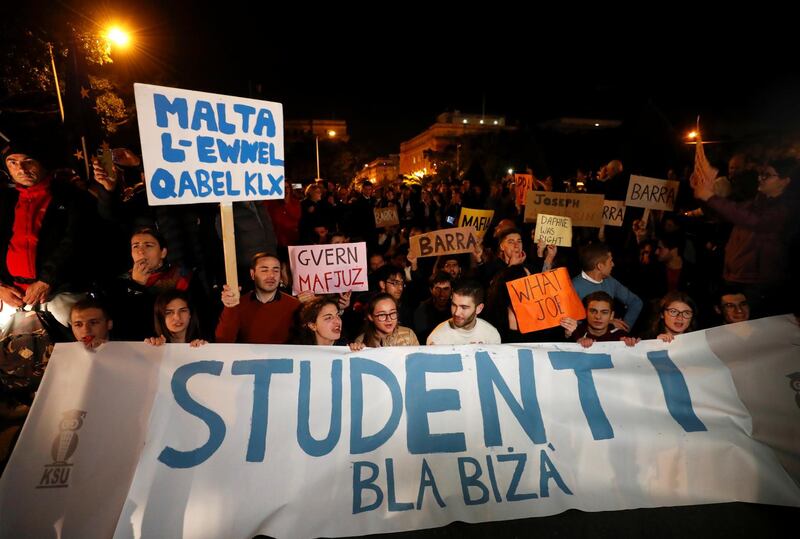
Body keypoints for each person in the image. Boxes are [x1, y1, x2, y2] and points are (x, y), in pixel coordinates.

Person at [215, 252, 300, 344]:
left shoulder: (294, 305)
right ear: (252, 274)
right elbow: (223, 341)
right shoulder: (239, 303)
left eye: (275, 270)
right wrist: (230, 307)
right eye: (264, 270)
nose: (271, 275)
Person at [571, 242, 643, 331]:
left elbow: (635, 302)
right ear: (600, 266)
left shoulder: (610, 281)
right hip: (584, 341)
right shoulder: (573, 287)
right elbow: (570, 322)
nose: (613, 264)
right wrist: (606, 322)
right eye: (610, 261)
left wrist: (622, 329)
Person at [427, 280, 501, 345]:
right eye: (454, 305)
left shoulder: (491, 334)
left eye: (464, 307)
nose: (456, 313)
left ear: (479, 308)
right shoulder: (437, 338)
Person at [565, 291, 638, 348]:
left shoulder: (621, 336)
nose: (598, 317)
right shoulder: (574, 333)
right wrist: (576, 344)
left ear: (611, 315)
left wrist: (635, 345)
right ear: (586, 313)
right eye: (593, 311)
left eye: (604, 312)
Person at [354, 293, 419, 347]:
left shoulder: (408, 335)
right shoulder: (361, 341)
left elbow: (417, 360)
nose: (389, 319)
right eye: (382, 315)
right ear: (370, 317)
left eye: (393, 313)